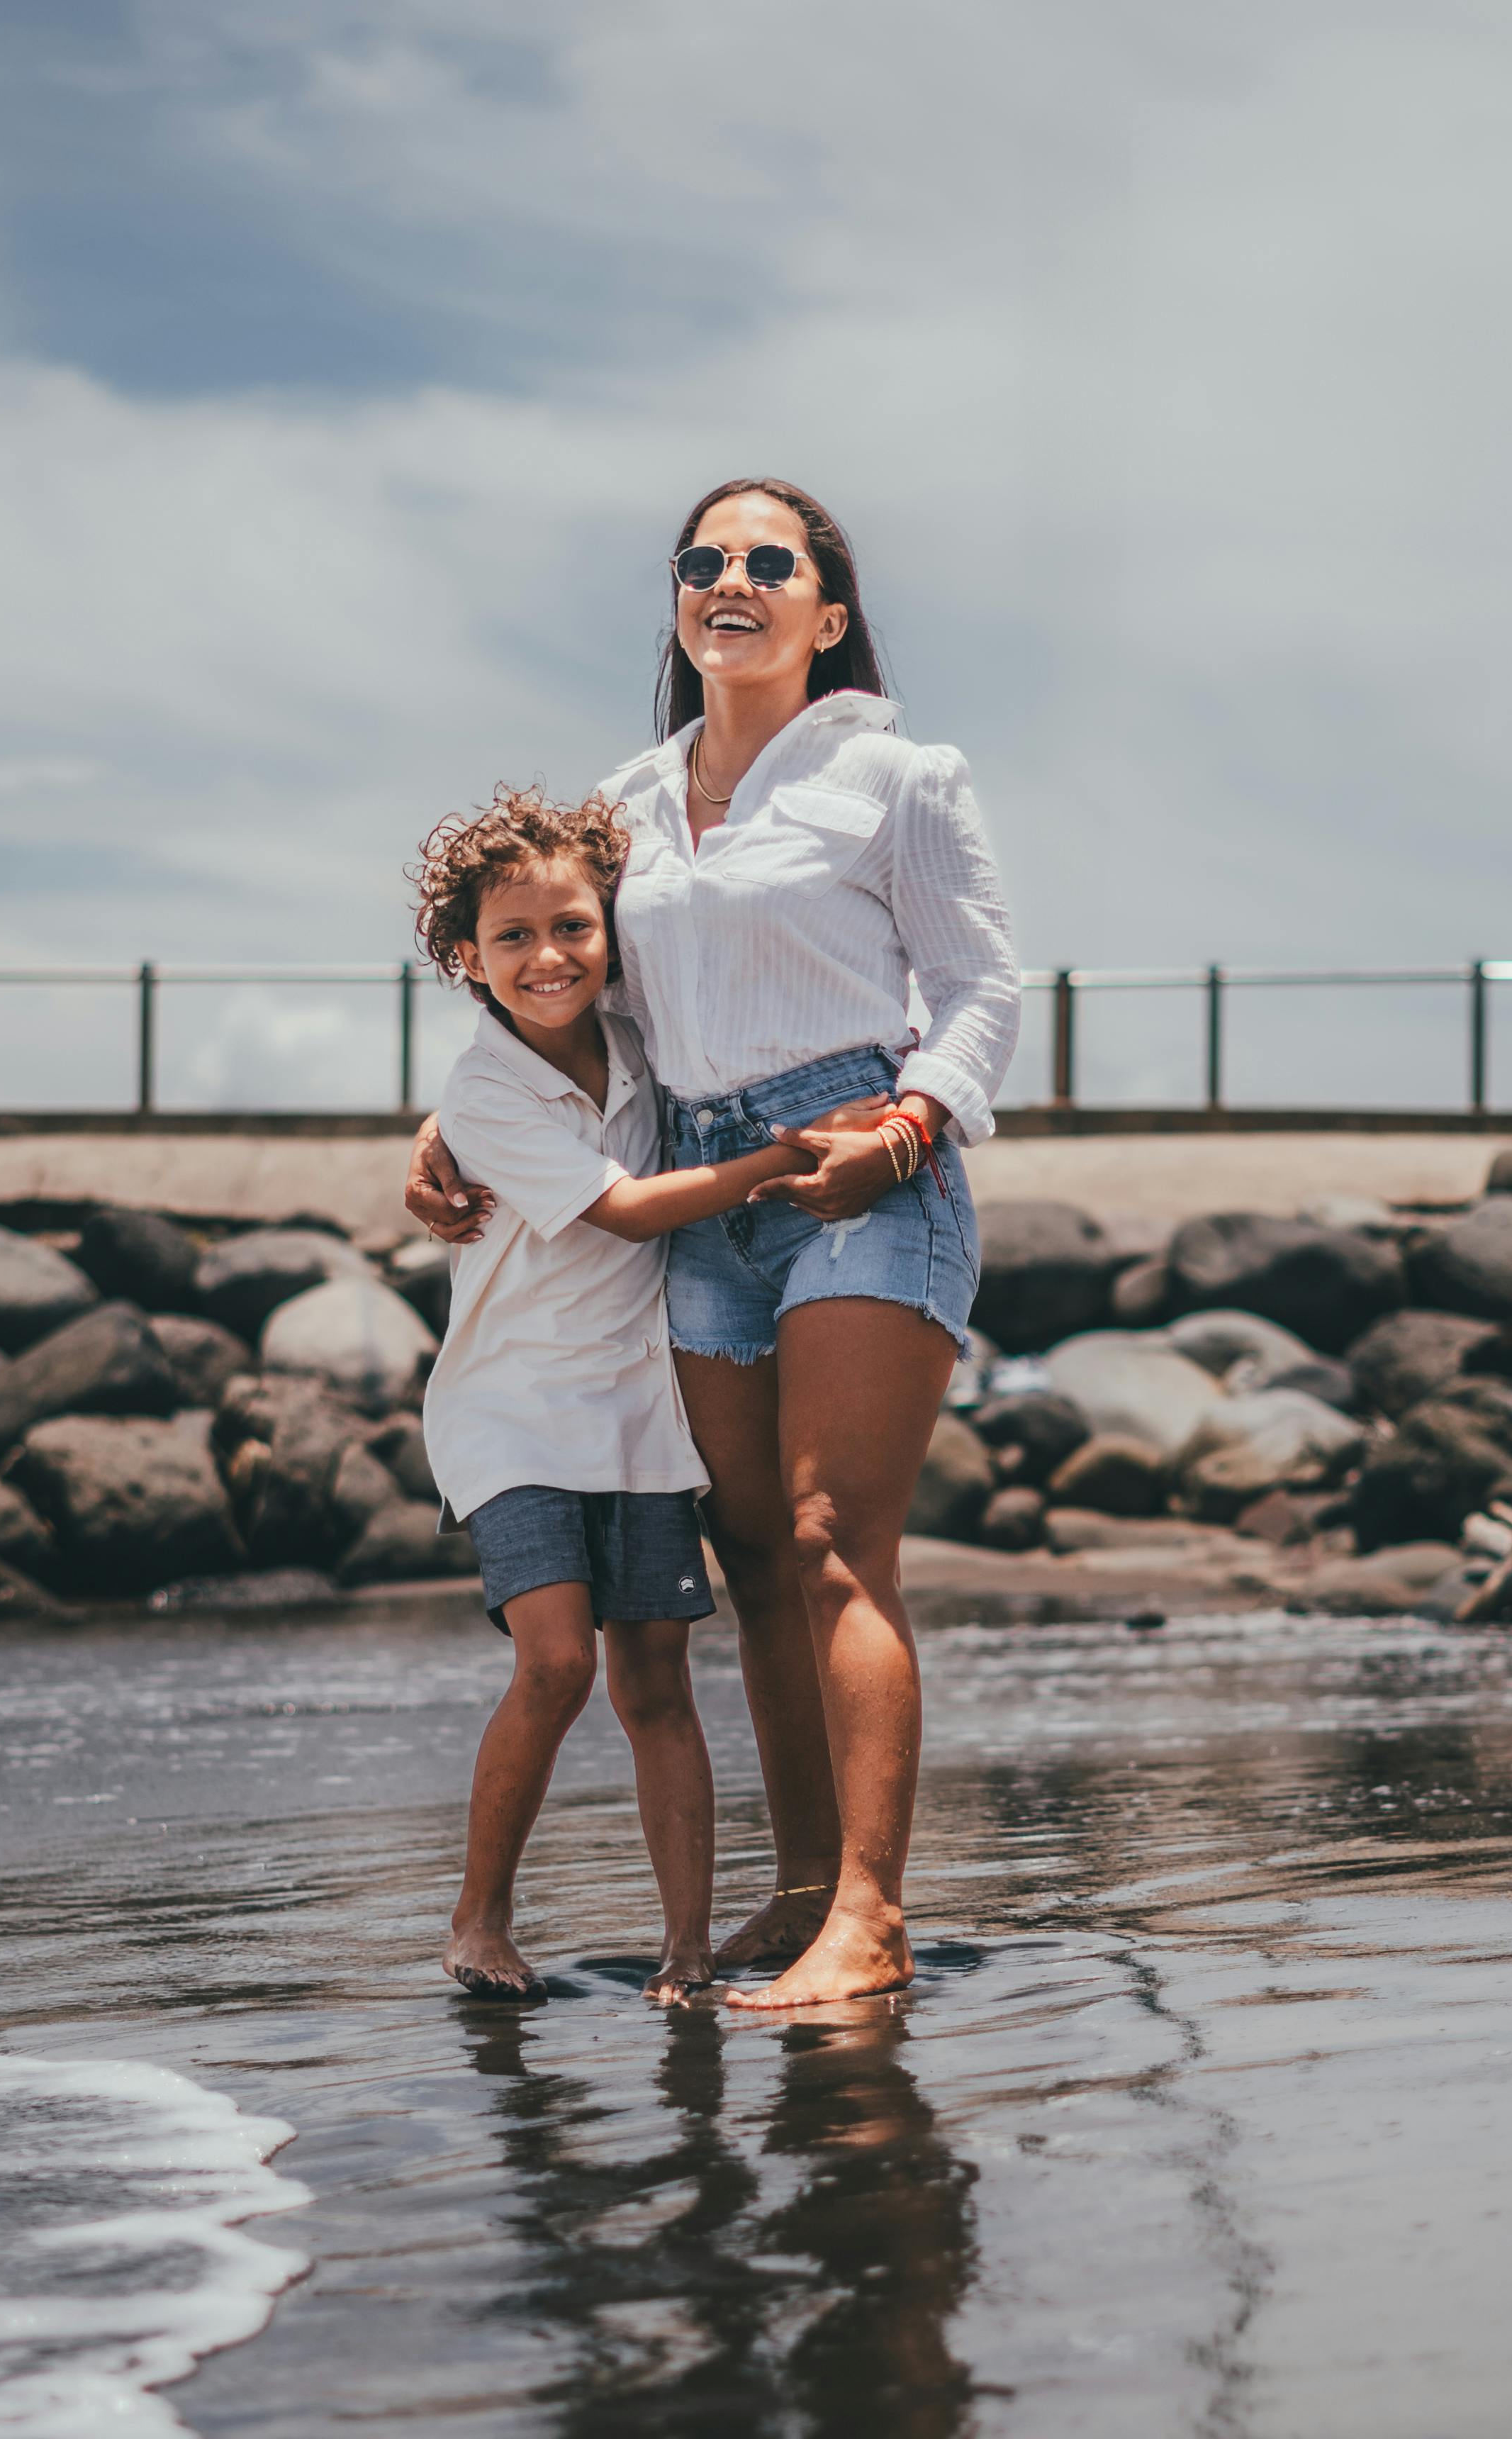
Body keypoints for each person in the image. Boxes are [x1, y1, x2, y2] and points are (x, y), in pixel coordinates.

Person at [408, 479, 1020, 2010]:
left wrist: (913, 1123)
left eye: (769, 561)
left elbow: (981, 990)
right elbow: (582, 992)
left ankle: (870, 1917)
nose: (728, 578)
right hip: (695, 1172)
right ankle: (805, 1888)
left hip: (856, 1155)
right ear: (680, 604)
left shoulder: (898, 778)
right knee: (749, 1559)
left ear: (826, 614)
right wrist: (462, 1121)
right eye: (703, 561)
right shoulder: (622, 805)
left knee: (827, 1538)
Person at [413, 783, 818, 2007]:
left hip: (639, 1418)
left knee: (655, 1681)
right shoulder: (484, 1095)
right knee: (555, 1665)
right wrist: (780, 1164)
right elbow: (624, 1208)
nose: (549, 957)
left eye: (574, 929)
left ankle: (686, 1953)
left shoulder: (643, 1048)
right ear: (465, 961)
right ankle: (479, 1921)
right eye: (515, 939)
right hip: (511, 1412)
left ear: (612, 933)